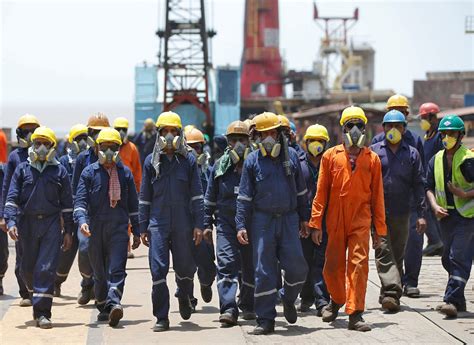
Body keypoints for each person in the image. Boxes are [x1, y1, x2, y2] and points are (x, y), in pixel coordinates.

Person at [309, 106, 387, 332]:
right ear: (342, 129)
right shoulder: (330, 156)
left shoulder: (372, 159)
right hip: (335, 220)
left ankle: (355, 313)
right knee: (332, 267)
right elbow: (320, 192)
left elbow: (378, 197)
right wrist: (315, 223)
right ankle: (336, 299)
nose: (354, 129)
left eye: (359, 125)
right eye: (349, 125)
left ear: (366, 129)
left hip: (360, 221)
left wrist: (379, 230)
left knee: (358, 266)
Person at [236, 112, 309, 335]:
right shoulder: (252, 161)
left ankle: (288, 298)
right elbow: (244, 197)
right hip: (263, 221)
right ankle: (265, 319)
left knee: (298, 268)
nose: (268, 137)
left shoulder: (293, 158)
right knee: (263, 272)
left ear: (279, 134)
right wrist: (241, 225)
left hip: (288, 219)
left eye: (272, 133)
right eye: (263, 134)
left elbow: (301, 192)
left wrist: (305, 219)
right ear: (256, 137)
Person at [139, 111, 204, 332]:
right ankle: (162, 317)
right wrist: (142, 227)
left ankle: (184, 295)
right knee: (158, 270)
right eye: (164, 131)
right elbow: (144, 197)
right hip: (157, 223)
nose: (168, 136)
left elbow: (197, 195)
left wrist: (199, 224)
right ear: (158, 134)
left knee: (185, 267)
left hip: (183, 224)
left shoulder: (189, 160)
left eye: (173, 132)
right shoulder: (150, 162)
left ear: (179, 135)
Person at [4, 126, 73, 329]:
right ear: (32, 146)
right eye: (37, 143)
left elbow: (67, 203)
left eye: (46, 144)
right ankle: (36, 293)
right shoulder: (22, 169)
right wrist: (10, 221)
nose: (41, 147)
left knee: (46, 268)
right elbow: (11, 198)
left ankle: (43, 313)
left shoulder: (59, 170)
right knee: (27, 269)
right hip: (27, 223)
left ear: (52, 147)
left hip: (51, 224)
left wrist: (68, 230)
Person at [74, 128, 140, 327]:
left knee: (117, 268)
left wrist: (136, 231)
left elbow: (133, 205)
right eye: (105, 147)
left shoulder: (125, 173)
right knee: (99, 273)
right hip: (95, 229)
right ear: (97, 148)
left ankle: (114, 302)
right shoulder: (88, 173)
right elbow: (80, 201)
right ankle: (103, 304)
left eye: (114, 147)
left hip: (119, 228)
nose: (109, 151)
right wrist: (82, 220)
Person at [371, 110, 427, 312]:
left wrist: (421, 215)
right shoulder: (374, 152)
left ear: (404, 129)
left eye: (397, 126)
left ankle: (387, 291)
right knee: (383, 251)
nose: (393, 129)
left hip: (403, 212)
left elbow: (419, 184)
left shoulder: (412, 153)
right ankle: (393, 293)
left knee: (397, 253)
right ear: (383, 128)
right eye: (389, 125)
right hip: (379, 213)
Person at [204, 120, 255, 326]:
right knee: (226, 263)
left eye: (242, 139)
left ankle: (248, 304)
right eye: (233, 140)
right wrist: (207, 224)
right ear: (228, 143)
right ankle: (228, 308)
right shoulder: (219, 166)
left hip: (251, 224)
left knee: (250, 266)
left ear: (249, 141)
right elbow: (209, 198)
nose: (238, 144)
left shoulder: (254, 165)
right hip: (225, 224)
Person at [426, 115, 474, 318]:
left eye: (451, 133)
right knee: (447, 258)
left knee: (458, 257)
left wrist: (464, 194)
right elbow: (428, 187)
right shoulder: (435, 159)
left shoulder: (468, 159)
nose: (447, 137)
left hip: (467, 217)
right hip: (445, 217)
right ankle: (459, 300)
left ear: (461, 135)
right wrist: (435, 206)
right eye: (444, 134)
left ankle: (451, 300)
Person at [0, 114, 40, 306]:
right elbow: (7, 188)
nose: (30, 134)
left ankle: (39, 291)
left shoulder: (46, 155)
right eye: (26, 131)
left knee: (42, 255)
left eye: (33, 130)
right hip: (21, 216)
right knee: (22, 255)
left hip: (43, 215)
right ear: (19, 133)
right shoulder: (15, 157)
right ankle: (25, 291)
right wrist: (4, 216)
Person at [72, 112, 111, 305]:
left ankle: (98, 288)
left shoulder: (114, 157)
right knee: (86, 247)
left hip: (107, 212)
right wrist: (77, 215)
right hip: (87, 213)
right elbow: (75, 189)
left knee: (104, 253)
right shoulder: (82, 159)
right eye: (94, 132)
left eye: (101, 132)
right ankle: (87, 282)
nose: (97, 136)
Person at [298, 124, 331, 315]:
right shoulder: (298, 164)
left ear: (326, 143)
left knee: (321, 261)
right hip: (303, 221)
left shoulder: (330, 163)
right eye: (312, 141)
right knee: (304, 262)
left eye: (320, 141)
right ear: (306, 143)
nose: (316, 145)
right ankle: (306, 297)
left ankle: (321, 301)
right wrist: (301, 220)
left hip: (325, 222)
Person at [54, 124, 89, 296]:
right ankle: (57, 282)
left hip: (84, 213)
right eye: (78, 139)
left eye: (85, 138)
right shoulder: (62, 162)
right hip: (68, 213)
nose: (82, 142)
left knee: (86, 248)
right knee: (65, 250)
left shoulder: (89, 160)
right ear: (71, 142)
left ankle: (87, 284)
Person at [184, 127, 216, 310]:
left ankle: (206, 282)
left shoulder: (209, 172)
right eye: (190, 147)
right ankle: (188, 298)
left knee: (207, 264)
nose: (195, 152)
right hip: (184, 224)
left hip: (203, 224)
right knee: (185, 265)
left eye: (198, 147)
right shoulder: (179, 171)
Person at [418, 102, 445, 256]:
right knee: (427, 210)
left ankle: (436, 241)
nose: (422, 121)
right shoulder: (428, 135)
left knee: (429, 210)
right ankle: (436, 242)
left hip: (435, 180)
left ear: (432, 117)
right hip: (426, 177)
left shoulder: (440, 136)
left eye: (423, 118)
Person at [113, 117, 142, 259]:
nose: (120, 132)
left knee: (128, 220)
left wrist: (137, 189)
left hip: (127, 188)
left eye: (123, 130)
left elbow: (137, 170)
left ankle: (127, 248)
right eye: (118, 129)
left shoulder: (132, 148)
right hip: (111, 188)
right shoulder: (110, 147)